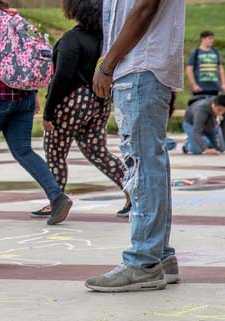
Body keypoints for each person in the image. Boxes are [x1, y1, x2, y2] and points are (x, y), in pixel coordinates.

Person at [85, 0, 185, 292]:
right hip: (141, 67)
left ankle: (143, 261)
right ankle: (159, 255)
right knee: (150, 164)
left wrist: (107, 65)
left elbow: (144, 8)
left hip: (139, 67)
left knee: (141, 166)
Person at [0, 0, 73, 226]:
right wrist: (33, 91)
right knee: (24, 151)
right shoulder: (11, 16)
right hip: (23, 96)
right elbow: (28, 57)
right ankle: (57, 197)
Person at [36, 0, 129, 219]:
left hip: (72, 102)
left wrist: (49, 111)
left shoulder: (72, 39)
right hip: (100, 101)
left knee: (55, 151)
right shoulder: (107, 42)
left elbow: (62, 77)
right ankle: (133, 192)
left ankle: (56, 200)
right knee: (98, 152)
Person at [186, 31, 225, 97]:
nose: (211, 40)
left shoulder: (215, 52)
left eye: (212, 38)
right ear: (202, 39)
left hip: (215, 88)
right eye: (209, 38)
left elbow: (220, 69)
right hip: (200, 89)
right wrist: (194, 85)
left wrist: (223, 84)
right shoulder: (196, 52)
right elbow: (189, 70)